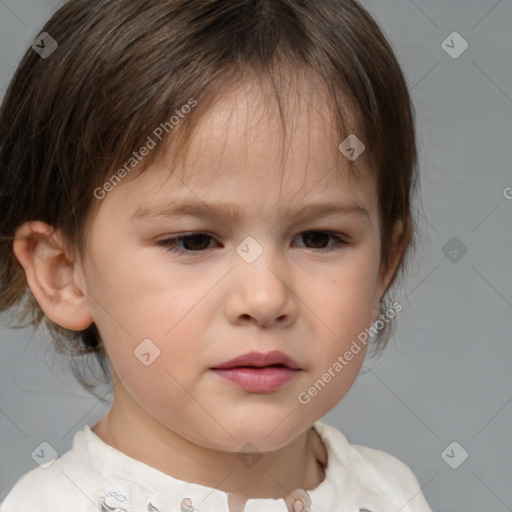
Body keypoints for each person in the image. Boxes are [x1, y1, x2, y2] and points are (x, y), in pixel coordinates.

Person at [0, 0, 432, 510]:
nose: (266, 297)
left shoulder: (389, 492)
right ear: (64, 274)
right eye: (194, 241)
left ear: (384, 265)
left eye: (318, 238)